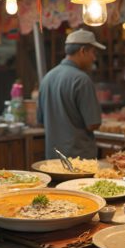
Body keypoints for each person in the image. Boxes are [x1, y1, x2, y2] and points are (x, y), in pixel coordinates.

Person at [37, 29, 105, 159]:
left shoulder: (47, 78)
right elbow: (93, 124)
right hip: (79, 160)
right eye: (93, 53)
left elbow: (40, 121)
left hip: (53, 160)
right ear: (83, 51)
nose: (94, 58)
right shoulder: (82, 80)